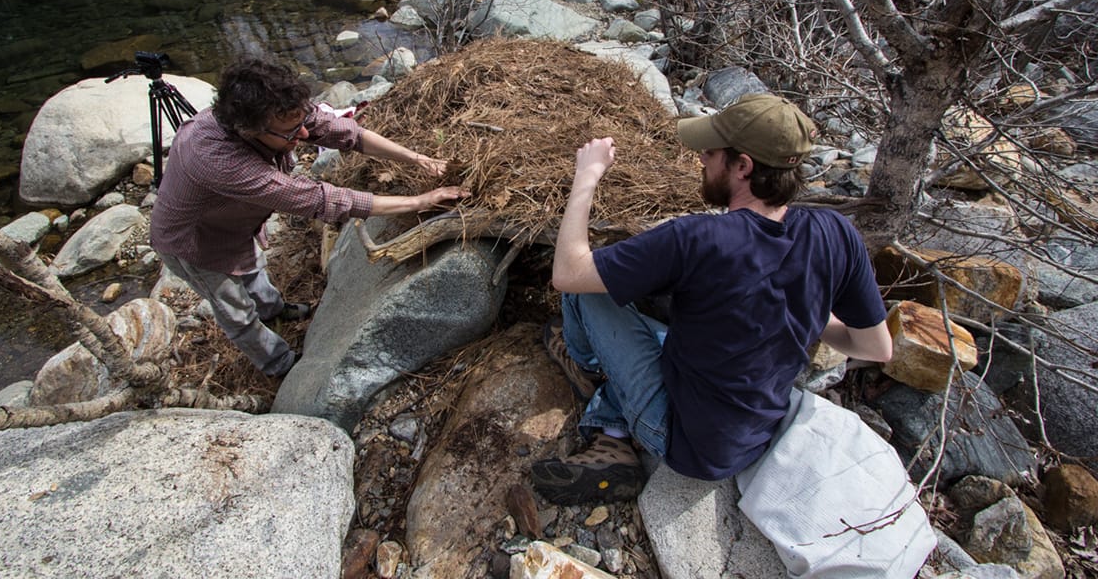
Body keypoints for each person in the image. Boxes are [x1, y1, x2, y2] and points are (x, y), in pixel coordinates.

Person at [530, 93, 893, 505]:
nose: (701, 158)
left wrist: (588, 175)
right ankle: (612, 408)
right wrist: (803, 307)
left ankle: (591, 372)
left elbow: (568, 273)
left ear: (743, 166)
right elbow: (875, 347)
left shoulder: (700, 239)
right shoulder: (835, 232)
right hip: (751, 436)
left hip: (686, 442)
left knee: (590, 296)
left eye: (711, 152)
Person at [150, 57, 468, 377]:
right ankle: (280, 364)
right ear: (249, 130)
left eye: (303, 120)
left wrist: (421, 160)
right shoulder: (216, 159)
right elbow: (321, 199)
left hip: (235, 223)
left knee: (252, 267)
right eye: (291, 132)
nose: (303, 132)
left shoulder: (277, 110)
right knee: (235, 308)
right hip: (194, 242)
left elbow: (346, 134)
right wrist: (420, 201)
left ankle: (274, 309)